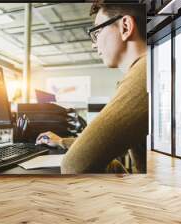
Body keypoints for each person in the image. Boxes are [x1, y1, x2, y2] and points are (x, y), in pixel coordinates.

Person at [36, 2, 148, 174]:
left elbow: (74, 165)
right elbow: (112, 147)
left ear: (125, 27)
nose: (93, 45)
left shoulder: (145, 72)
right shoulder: (151, 67)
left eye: (97, 32)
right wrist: (62, 142)